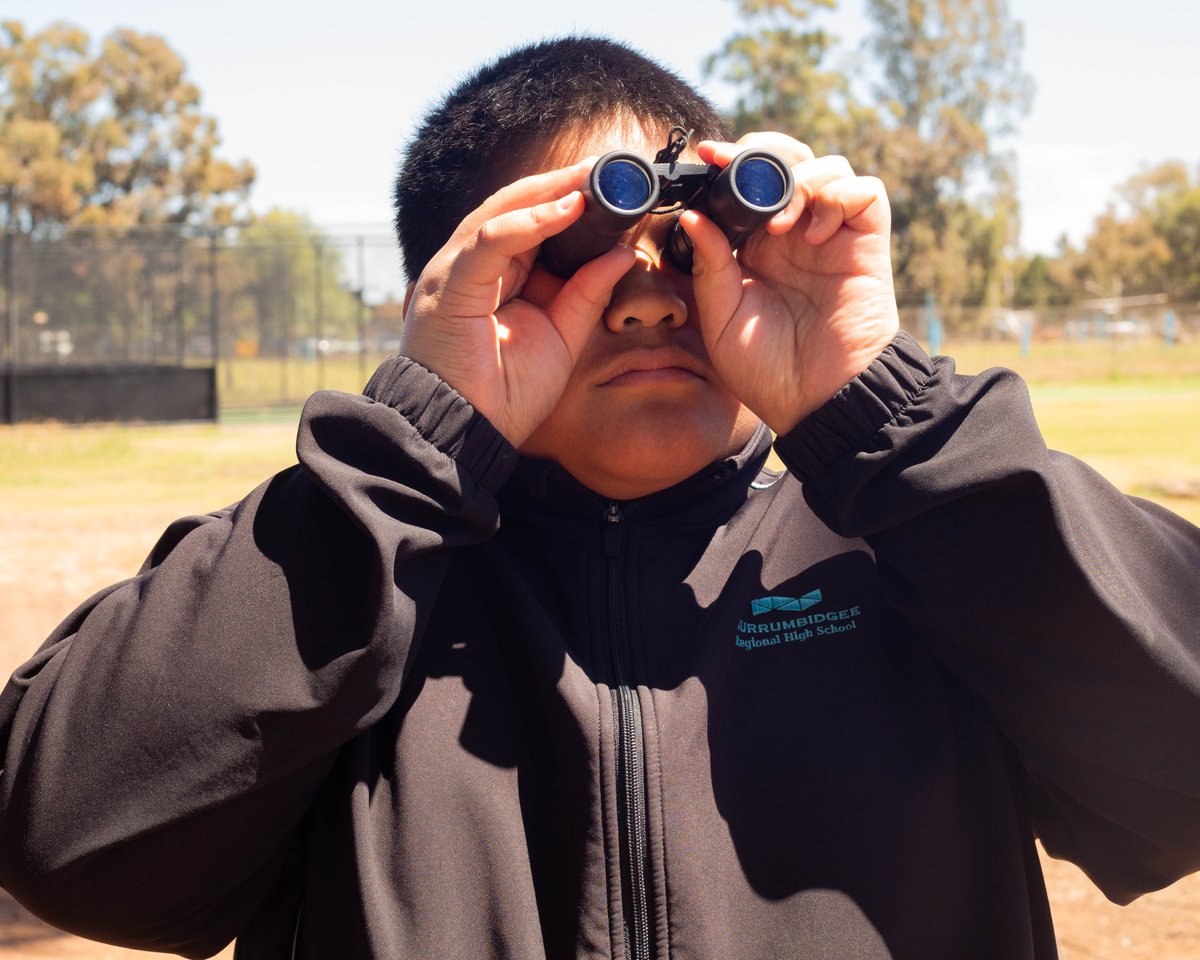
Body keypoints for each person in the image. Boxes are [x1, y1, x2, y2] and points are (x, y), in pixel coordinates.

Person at [1, 35, 1198, 960]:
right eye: (568, 252)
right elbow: (64, 838)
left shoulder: (914, 549)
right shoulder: (343, 575)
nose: (646, 296)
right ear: (444, 294)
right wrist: (415, 443)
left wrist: (885, 413)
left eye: (692, 243)